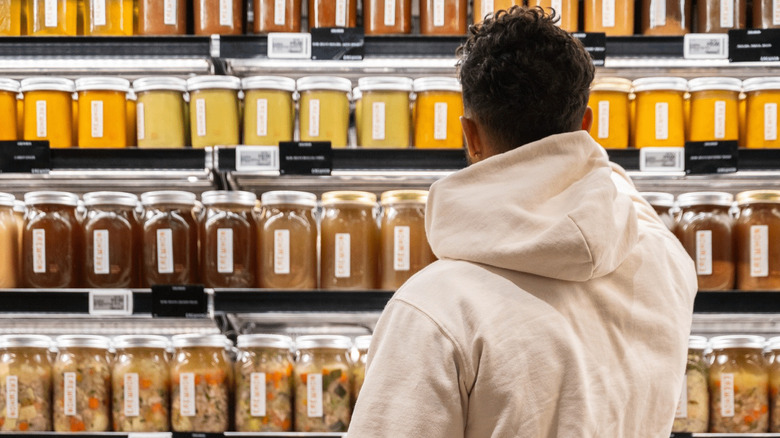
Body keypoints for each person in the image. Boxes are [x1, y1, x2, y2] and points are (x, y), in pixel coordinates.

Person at [348, 6, 697, 437]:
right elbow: (624, 195)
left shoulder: (435, 310)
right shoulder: (667, 262)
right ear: (585, 125)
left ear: (470, 136)